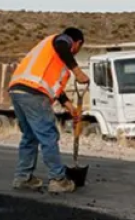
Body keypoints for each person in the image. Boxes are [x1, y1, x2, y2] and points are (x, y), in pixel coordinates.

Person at [8, 27, 89, 193]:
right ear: (77, 43)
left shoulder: (48, 54)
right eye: (78, 48)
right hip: (34, 93)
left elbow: (53, 87)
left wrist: (69, 106)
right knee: (48, 135)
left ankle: (23, 178)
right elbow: (62, 45)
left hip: (18, 91)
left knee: (30, 136)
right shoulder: (62, 41)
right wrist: (78, 71)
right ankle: (58, 179)